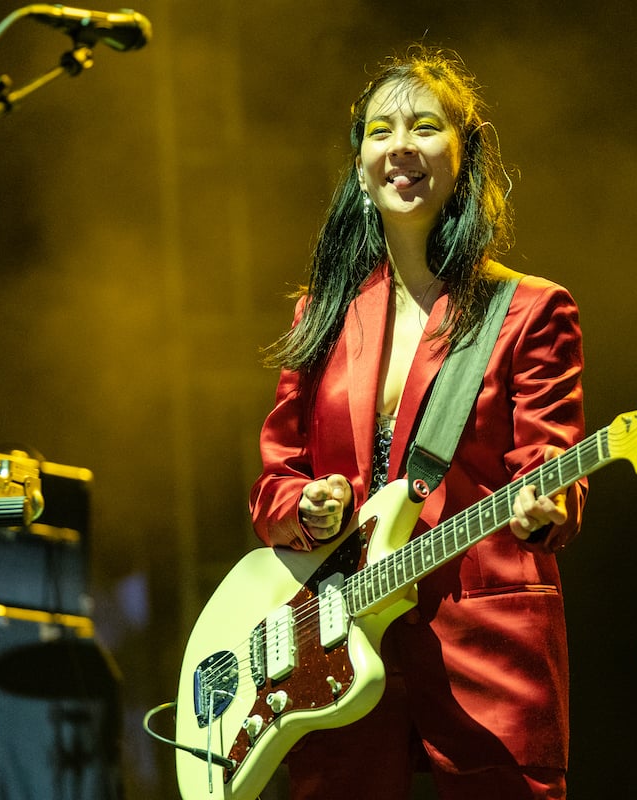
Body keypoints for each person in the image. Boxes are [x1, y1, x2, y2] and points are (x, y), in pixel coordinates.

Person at [249, 45, 588, 800]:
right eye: (380, 130)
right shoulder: (325, 313)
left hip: (482, 644)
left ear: (463, 156)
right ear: (360, 162)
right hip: (337, 646)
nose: (400, 146)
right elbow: (274, 478)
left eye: (425, 126)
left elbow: (549, 464)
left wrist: (544, 507)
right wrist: (301, 506)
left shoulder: (530, 310)